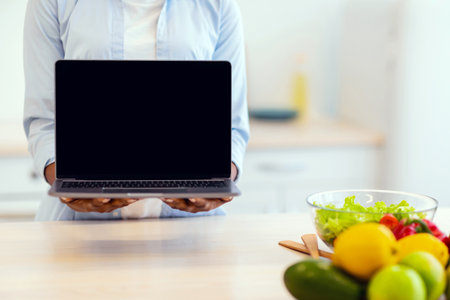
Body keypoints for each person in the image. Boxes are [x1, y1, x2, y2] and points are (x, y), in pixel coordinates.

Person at [23, 0, 249, 221]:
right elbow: (44, 120)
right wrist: (69, 185)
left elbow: (233, 126)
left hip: (191, 230)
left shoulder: (219, 5)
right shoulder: (51, 3)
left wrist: (217, 184)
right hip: (81, 228)